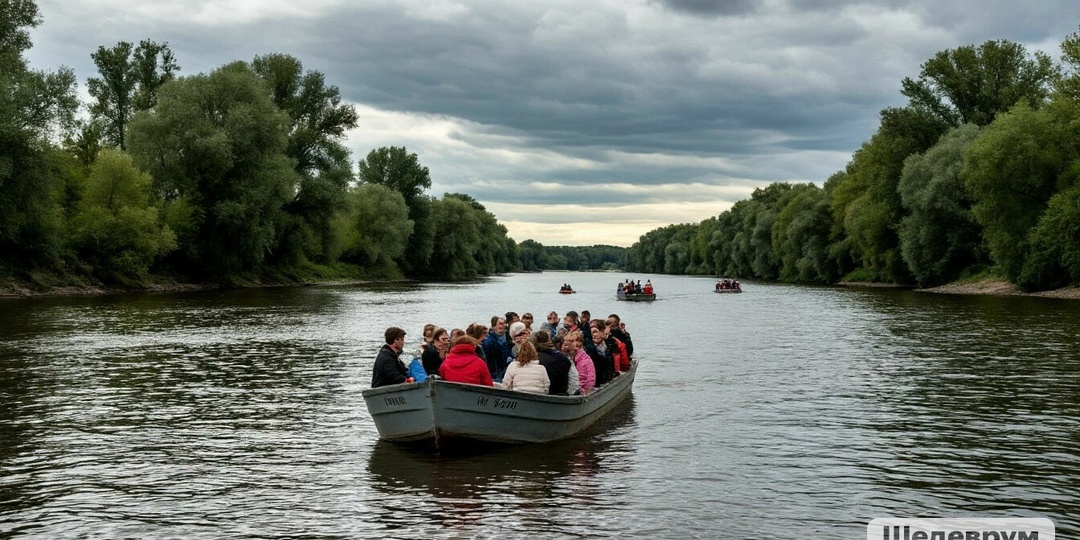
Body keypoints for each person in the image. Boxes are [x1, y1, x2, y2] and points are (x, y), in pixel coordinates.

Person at [532, 330, 576, 396]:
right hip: (562, 397)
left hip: (538, 395)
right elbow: (573, 381)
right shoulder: (564, 358)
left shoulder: (531, 359)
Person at [563, 329, 595, 394]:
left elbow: (591, 379)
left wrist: (584, 392)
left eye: (578, 341)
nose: (576, 343)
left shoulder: (587, 359)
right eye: (572, 341)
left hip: (582, 392)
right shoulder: (565, 358)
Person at [584, 322, 615, 387]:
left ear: (603, 333)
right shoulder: (589, 350)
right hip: (595, 384)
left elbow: (611, 366)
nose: (594, 335)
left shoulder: (608, 346)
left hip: (606, 382)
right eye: (592, 333)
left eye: (595, 332)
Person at [482, 316, 512, 382]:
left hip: (505, 371)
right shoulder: (488, 341)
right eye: (500, 324)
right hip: (495, 373)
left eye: (504, 324)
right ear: (494, 326)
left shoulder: (509, 338)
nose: (503, 326)